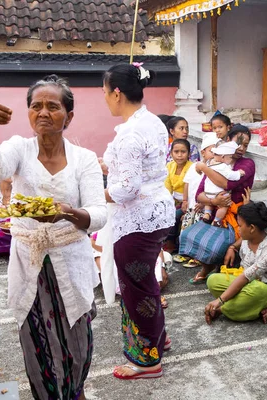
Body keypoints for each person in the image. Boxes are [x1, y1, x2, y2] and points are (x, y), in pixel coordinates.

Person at [0, 74, 107, 399]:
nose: (44, 112)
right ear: (29, 113)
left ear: (69, 116)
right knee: (38, 347)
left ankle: (73, 392)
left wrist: (67, 213)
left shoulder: (84, 159)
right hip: (30, 264)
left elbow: (98, 213)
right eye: (36, 106)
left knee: (77, 347)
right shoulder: (19, 148)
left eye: (53, 106)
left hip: (71, 261)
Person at [101, 63, 175, 380]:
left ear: (117, 93)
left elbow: (127, 188)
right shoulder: (151, 121)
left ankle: (147, 359)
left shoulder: (131, 133)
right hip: (157, 212)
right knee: (145, 284)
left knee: (135, 289)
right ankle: (158, 338)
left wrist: (95, 193)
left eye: (105, 92)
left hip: (137, 218)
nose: (104, 98)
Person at [180, 125, 255, 284]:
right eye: (238, 142)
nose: (241, 148)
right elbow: (199, 194)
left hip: (237, 212)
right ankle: (207, 267)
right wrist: (214, 201)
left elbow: (228, 184)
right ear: (228, 140)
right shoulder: (215, 161)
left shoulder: (247, 164)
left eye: (246, 145)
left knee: (223, 243)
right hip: (216, 209)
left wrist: (204, 168)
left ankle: (224, 265)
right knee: (200, 237)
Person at [204, 201, 267, 324]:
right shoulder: (247, 238)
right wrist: (232, 248)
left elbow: (246, 277)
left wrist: (220, 300)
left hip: (265, 288)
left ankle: (222, 310)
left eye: (240, 225)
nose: (238, 228)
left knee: (256, 291)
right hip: (244, 282)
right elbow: (243, 276)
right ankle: (252, 307)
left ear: (251, 228)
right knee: (212, 280)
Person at [180, 132, 220, 230]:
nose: (215, 155)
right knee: (185, 231)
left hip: (204, 210)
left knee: (197, 231)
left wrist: (203, 203)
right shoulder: (194, 166)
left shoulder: (216, 170)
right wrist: (185, 200)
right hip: (190, 207)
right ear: (203, 153)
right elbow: (187, 183)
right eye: (212, 152)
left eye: (217, 153)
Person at [202, 141, 245, 227]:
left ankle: (207, 214)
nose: (231, 159)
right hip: (218, 193)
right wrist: (239, 173)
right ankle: (216, 220)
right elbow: (231, 176)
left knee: (208, 204)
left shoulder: (210, 163)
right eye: (230, 157)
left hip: (208, 192)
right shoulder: (223, 166)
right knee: (224, 206)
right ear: (223, 156)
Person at [165, 138, 194, 207]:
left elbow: (193, 189)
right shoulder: (169, 165)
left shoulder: (192, 167)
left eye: (183, 152)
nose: (179, 155)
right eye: (176, 152)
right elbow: (167, 186)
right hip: (173, 199)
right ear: (171, 153)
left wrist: (185, 201)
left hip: (188, 201)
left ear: (189, 154)